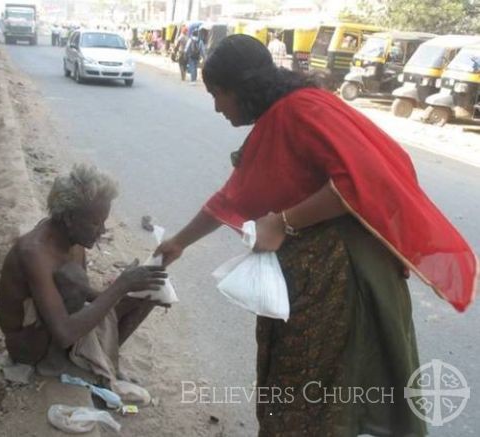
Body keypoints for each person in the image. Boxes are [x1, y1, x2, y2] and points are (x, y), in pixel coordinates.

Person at [155, 35, 477, 436]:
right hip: (310, 281)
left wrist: (285, 221)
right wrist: (179, 243)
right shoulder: (284, 114)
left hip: (341, 279)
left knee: (314, 394)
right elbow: (232, 196)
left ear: (243, 88)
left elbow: (364, 179)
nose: (217, 106)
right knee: (303, 390)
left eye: (218, 94)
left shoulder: (301, 110)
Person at [0, 164, 167, 373]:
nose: (102, 230)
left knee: (145, 297)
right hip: (29, 346)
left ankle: (103, 361)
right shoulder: (34, 253)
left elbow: (84, 294)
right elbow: (64, 333)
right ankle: (67, 365)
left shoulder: (73, 240)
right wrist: (121, 286)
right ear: (69, 218)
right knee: (71, 275)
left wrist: (135, 291)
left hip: (58, 323)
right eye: (96, 223)